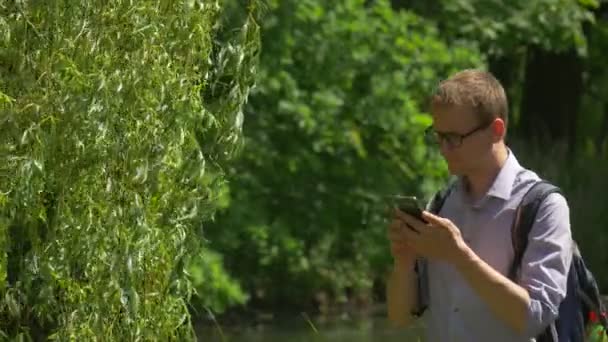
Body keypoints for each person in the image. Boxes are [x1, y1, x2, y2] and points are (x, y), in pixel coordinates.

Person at [386, 69, 573, 341]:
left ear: (496, 130)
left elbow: (535, 318)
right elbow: (400, 317)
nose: (443, 148)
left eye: (453, 138)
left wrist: (460, 257)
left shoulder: (543, 206)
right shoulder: (441, 204)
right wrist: (403, 262)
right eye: (437, 136)